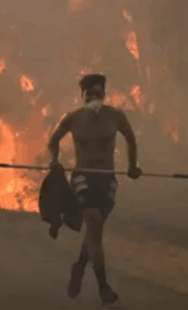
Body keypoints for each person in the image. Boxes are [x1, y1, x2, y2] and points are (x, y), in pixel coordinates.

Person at [47, 73, 141, 306]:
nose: (94, 96)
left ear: (104, 93)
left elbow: (130, 139)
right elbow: (53, 139)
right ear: (82, 97)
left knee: (94, 231)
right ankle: (103, 287)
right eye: (89, 93)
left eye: (97, 91)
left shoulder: (116, 117)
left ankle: (79, 265)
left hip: (107, 180)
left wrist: (132, 166)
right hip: (83, 179)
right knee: (94, 224)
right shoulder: (73, 118)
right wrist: (54, 160)